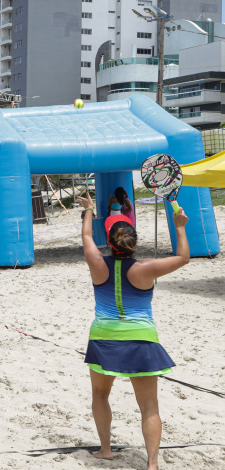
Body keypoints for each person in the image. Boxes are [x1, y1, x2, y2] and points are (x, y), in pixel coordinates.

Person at [77, 194, 189, 469]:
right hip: (141, 340)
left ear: (110, 242)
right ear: (133, 243)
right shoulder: (146, 268)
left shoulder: (96, 262)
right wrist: (179, 226)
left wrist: (88, 209)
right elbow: (183, 257)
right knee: (149, 405)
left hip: (104, 338)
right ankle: (152, 463)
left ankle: (106, 449)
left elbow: (86, 236)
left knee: (100, 395)